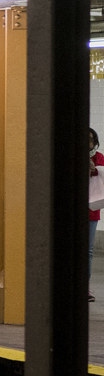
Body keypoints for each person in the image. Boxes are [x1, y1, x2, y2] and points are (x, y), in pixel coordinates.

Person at [89, 128, 101, 300]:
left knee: (88, 251)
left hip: (92, 210)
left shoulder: (99, 158)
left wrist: (95, 169)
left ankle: (86, 286)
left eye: (90, 139)